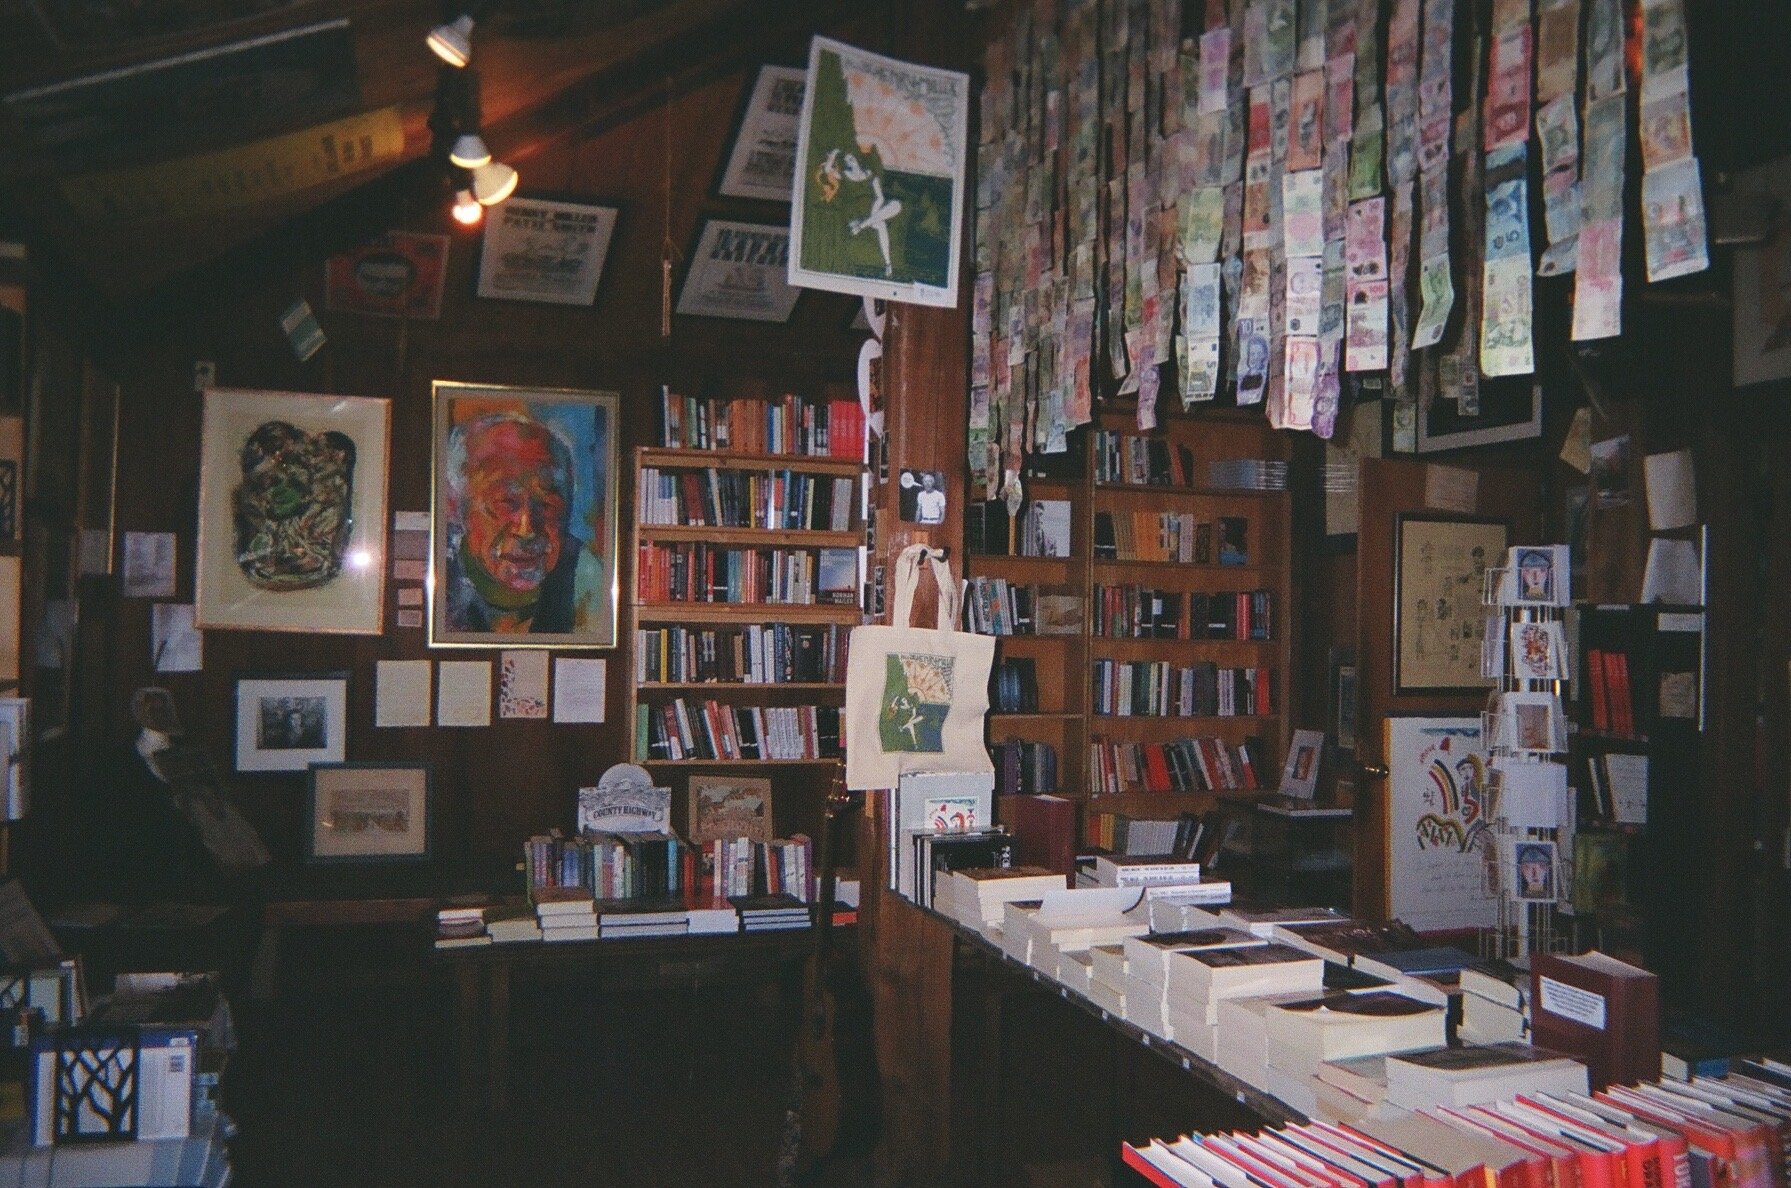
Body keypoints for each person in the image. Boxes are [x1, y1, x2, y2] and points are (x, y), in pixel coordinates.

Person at [444, 412, 584, 634]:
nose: (526, 529)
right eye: (506, 503)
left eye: (547, 505)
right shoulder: (440, 584)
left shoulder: (588, 582)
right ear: (455, 506)